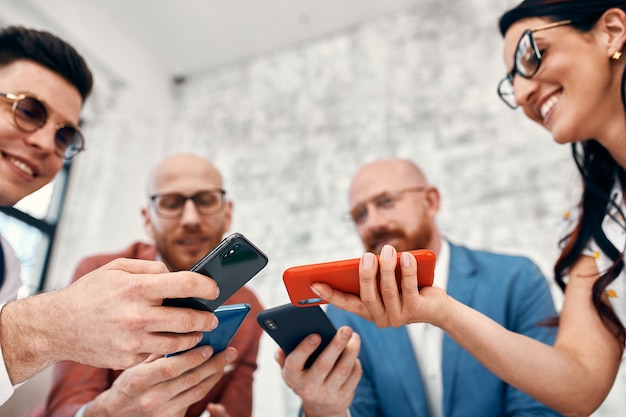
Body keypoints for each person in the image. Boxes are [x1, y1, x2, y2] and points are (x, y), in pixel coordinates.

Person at [312, 2, 626, 416]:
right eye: (510, 81)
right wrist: (443, 311)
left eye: (532, 55)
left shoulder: (516, 278)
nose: (520, 93)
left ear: (612, 31)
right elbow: (580, 384)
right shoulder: (596, 224)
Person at [0, 26, 224, 405]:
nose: (44, 143)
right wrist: (50, 326)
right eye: (28, 110)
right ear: (146, 217)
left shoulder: (6, 265)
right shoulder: (101, 274)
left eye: (64, 136)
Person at [279, 158, 562, 417]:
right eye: (359, 215)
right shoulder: (347, 314)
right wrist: (323, 409)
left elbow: (543, 406)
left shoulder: (517, 280)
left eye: (386, 201)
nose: (373, 223)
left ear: (431, 201)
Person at [29, 153, 264, 417]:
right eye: (171, 203)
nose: (190, 219)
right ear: (147, 220)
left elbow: (236, 409)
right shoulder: (99, 275)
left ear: (228, 213)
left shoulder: (250, 308)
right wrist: (108, 412)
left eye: (206, 200)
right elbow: (67, 405)